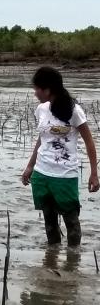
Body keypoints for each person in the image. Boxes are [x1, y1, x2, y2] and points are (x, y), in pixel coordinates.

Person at [22, 66, 99, 246]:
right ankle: (52, 259)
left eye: (37, 89)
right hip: (42, 173)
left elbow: (89, 143)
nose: (35, 93)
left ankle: (73, 264)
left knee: (72, 224)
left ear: (47, 89)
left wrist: (94, 173)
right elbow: (42, 139)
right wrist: (30, 166)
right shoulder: (41, 109)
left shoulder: (74, 111)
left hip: (65, 175)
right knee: (49, 223)